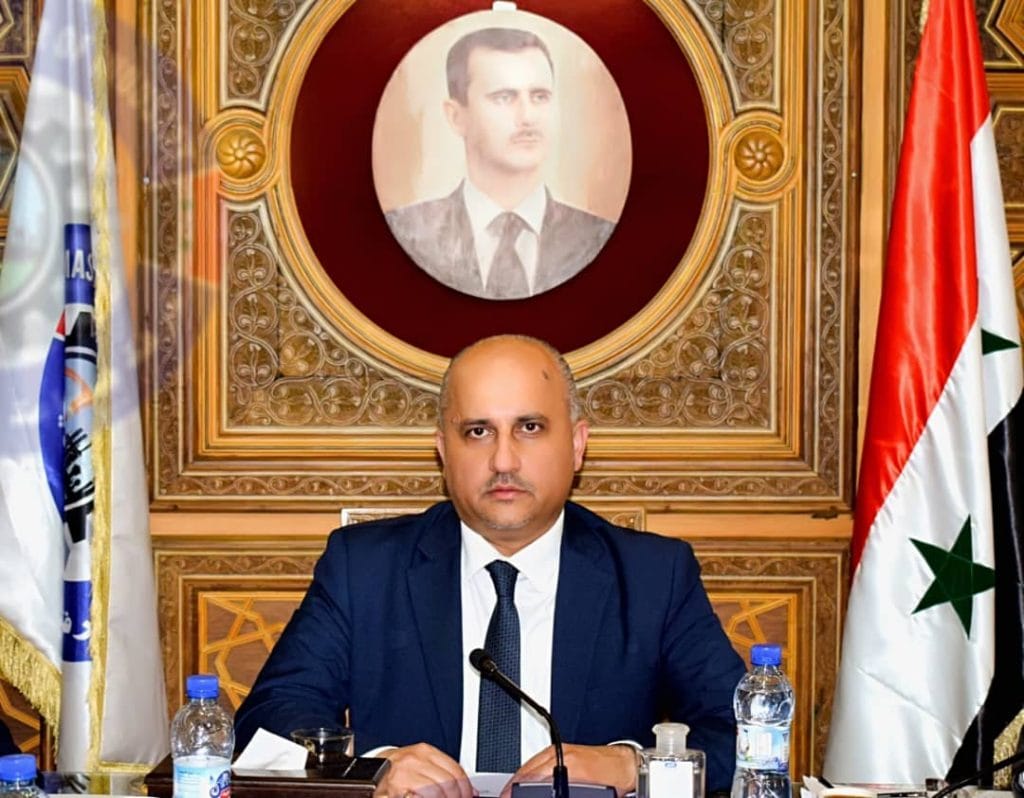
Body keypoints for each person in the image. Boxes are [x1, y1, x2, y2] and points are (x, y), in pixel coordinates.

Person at [234, 335, 744, 797]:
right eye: (478, 431)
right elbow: (267, 722)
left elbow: (744, 735)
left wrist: (635, 765)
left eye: (529, 427)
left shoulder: (653, 576)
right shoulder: (363, 568)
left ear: (577, 445)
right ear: (443, 451)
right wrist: (373, 770)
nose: (503, 461)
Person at [384, 28, 616, 300]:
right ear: (457, 117)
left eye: (540, 96)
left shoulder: (596, 235)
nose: (528, 117)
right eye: (504, 98)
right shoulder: (409, 231)